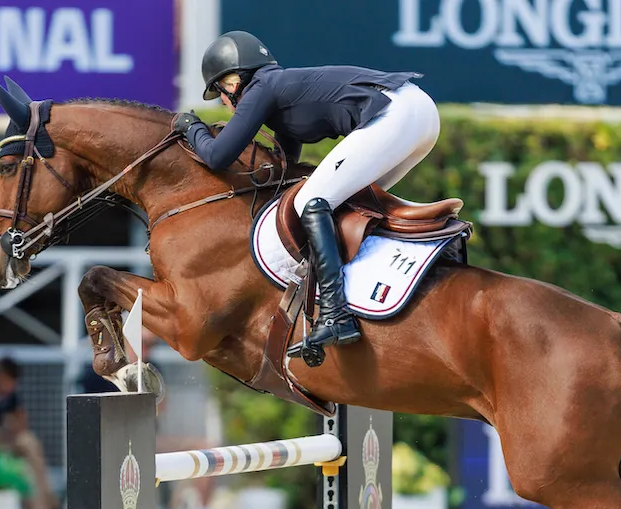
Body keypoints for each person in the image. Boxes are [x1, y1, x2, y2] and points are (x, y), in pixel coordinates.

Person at [171, 30, 442, 363]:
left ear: (232, 82)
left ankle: (336, 314)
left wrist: (192, 126)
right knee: (352, 205)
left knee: (310, 204)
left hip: (396, 114)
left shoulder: (260, 89)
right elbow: (286, 163)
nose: (225, 104)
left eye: (221, 94)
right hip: (419, 112)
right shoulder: (278, 89)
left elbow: (217, 156)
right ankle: (375, 290)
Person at [0, 358, 64, 509]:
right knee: (26, 472)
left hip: (7, 441)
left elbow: (21, 422)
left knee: (31, 447)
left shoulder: (10, 396)